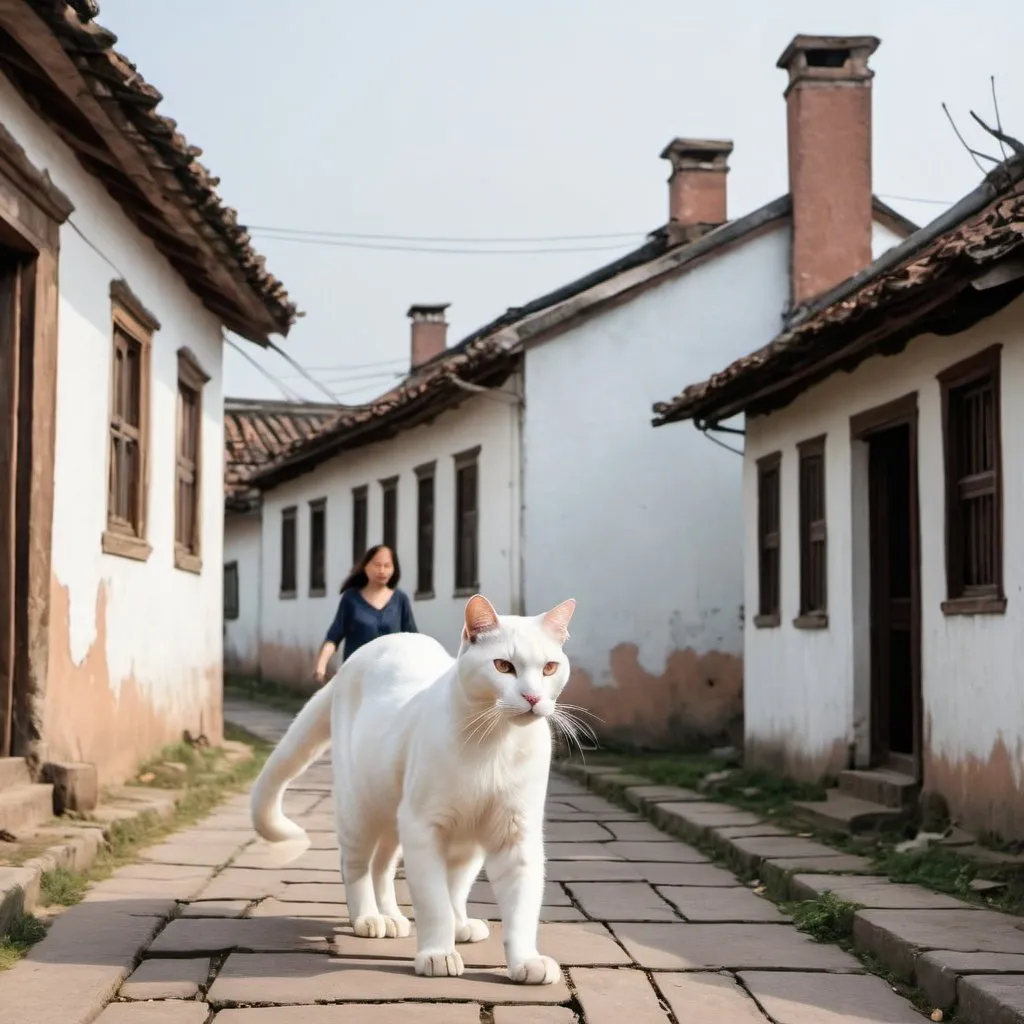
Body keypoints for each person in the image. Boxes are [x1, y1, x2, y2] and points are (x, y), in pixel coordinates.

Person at [313, 544, 418, 683]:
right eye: (377, 565)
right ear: (365, 566)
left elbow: (413, 639)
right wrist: (321, 666)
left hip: (392, 677)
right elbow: (334, 636)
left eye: (387, 566)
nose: (382, 570)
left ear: (394, 569)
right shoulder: (351, 599)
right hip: (357, 679)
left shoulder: (400, 599)